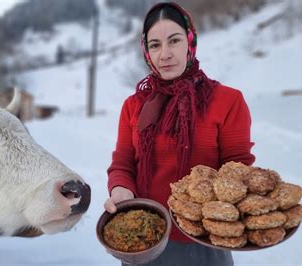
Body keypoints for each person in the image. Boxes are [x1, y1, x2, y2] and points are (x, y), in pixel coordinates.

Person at [104, 2, 255, 266]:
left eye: (174, 41)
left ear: (190, 41)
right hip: (145, 238)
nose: (165, 54)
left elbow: (238, 171)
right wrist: (121, 190)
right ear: (146, 51)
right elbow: (123, 163)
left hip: (206, 241)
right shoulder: (134, 105)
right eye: (155, 45)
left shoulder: (228, 101)